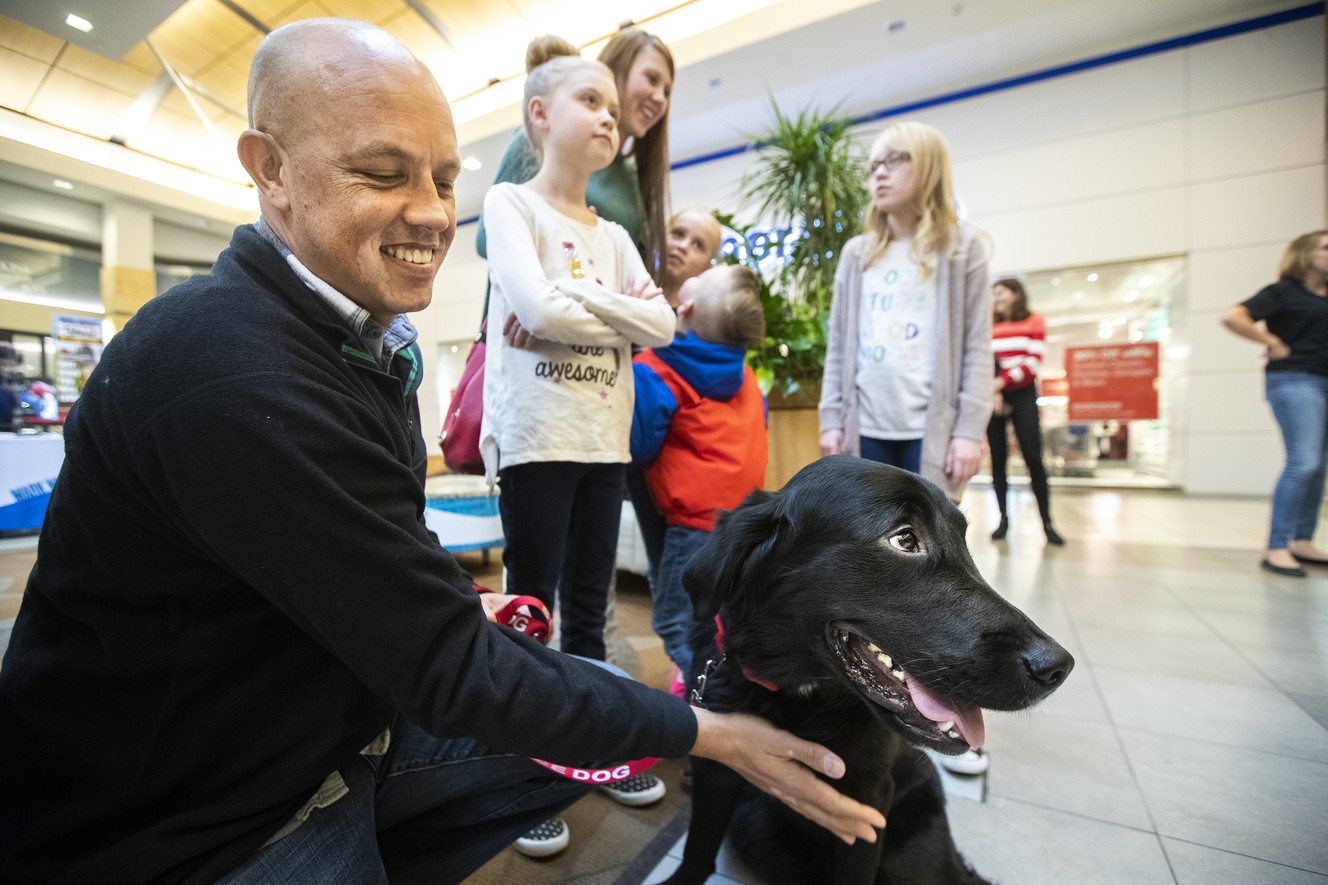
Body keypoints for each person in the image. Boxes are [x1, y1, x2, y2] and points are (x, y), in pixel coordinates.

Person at [0, 19, 886, 884]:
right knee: (572, 698)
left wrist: (452, 606)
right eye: (383, 173)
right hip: (197, 816)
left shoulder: (362, 340)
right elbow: (451, 666)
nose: (431, 212)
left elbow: (394, 571)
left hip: (331, 720)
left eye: (444, 177)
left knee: (578, 693)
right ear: (271, 170)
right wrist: (709, 731)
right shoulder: (234, 371)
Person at [478, 50, 680, 853]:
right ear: (540, 114)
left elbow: (662, 325)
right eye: (588, 100)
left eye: (610, 106)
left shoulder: (617, 234)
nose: (607, 116)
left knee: (589, 616)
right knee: (531, 611)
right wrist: (616, 314)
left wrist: (577, 300)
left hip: (603, 440)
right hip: (538, 438)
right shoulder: (510, 204)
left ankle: (591, 746)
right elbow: (532, 307)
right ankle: (518, 773)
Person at [818, 120, 993, 503]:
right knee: (867, 532)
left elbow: (978, 347)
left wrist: (969, 432)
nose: (879, 173)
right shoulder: (857, 254)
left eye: (895, 160)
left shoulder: (963, 249)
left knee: (930, 534)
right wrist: (830, 421)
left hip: (932, 434)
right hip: (865, 428)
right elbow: (839, 346)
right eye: (873, 166)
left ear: (929, 166)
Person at [631, 263, 767, 685]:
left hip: (691, 526)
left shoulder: (654, 368)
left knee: (676, 622)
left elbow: (640, 445)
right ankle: (714, 684)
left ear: (684, 306)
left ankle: (704, 695)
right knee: (719, 618)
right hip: (741, 524)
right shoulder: (747, 378)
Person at [475, 27, 674, 276]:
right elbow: (488, 239)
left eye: (667, 91)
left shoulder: (631, 178)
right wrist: (572, 234)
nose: (660, 98)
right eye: (652, 79)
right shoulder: (540, 143)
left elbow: (616, 273)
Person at [1221, 229, 1328, 577]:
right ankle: (1277, 546)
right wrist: (1270, 340)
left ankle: (1302, 541)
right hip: (1296, 380)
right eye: (1326, 248)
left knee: (1319, 467)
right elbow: (1232, 316)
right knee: (1303, 462)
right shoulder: (1282, 292)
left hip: (1324, 379)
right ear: (1305, 254)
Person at [987, 277, 1063, 545]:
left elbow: (1032, 362)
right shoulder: (988, 325)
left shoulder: (1035, 321)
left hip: (1023, 393)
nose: (996, 297)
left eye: (1000, 292)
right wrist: (994, 389)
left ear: (1016, 294)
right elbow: (985, 359)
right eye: (993, 293)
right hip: (994, 394)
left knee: (1033, 457)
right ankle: (1002, 519)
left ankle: (1047, 523)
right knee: (998, 459)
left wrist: (1001, 383)